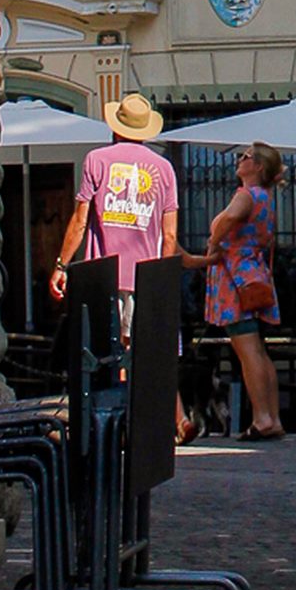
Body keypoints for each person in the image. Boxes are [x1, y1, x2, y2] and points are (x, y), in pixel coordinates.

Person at [49, 90, 195, 440]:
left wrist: (61, 265)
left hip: (104, 276)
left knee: (107, 353)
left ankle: (121, 424)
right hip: (145, 276)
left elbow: (81, 221)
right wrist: (162, 279)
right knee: (144, 351)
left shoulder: (96, 160)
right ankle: (166, 421)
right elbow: (170, 234)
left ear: (116, 127)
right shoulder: (164, 169)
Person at [187, 143, 285, 441]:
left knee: (247, 351)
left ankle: (262, 418)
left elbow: (230, 219)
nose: (240, 160)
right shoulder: (265, 197)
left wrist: (215, 241)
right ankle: (273, 416)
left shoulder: (245, 195)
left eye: (246, 157)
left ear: (258, 167)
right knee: (259, 350)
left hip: (235, 280)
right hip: (255, 275)